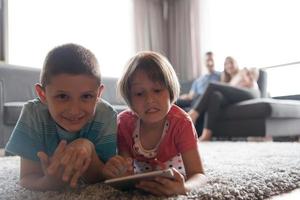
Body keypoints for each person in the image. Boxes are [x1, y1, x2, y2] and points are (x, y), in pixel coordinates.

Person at [5, 43, 118, 190]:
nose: (74, 110)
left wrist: (88, 148)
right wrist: (49, 183)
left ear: (98, 94)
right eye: (63, 96)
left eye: (86, 96)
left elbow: (101, 177)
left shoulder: (106, 116)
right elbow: (26, 178)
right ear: (42, 94)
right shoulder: (33, 114)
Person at [103, 51, 206, 196]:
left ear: (170, 92)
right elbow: (126, 170)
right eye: (139, 93)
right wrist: (118, 173)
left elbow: (199, 175)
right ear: (130, 100)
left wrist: (184, 188)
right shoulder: (124, 124)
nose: (150, 99)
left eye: (157, 90)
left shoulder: (182, 123)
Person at [189, 56, 260, 141]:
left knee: (212, 85)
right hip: (236, 98)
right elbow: (230, 90)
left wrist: (245, 75)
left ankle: (193, 114)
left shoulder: (243, 71)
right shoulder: (228, 80)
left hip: (251, 92)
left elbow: (249, 80)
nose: (229, 65)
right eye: (226, 64)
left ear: (236, 64)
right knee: (215, 96)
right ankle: (206, 135)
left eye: (231, 62)